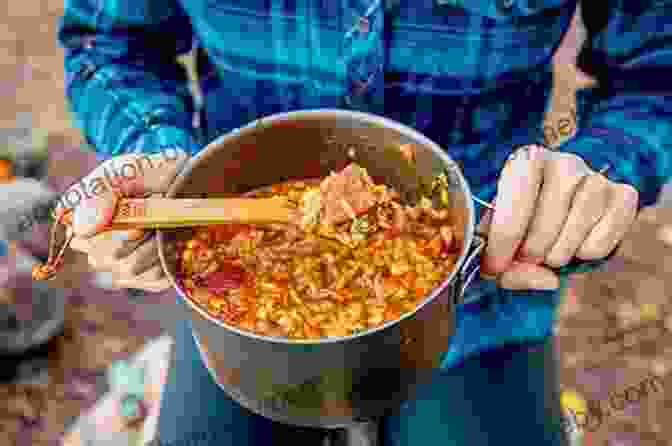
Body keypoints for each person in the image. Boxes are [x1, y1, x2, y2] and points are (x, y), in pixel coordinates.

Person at [56, 1, 671, 445]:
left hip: (483, 282)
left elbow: (656, 68)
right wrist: (158, 153)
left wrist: (602, 165)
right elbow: (106, 43)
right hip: (230, 294)